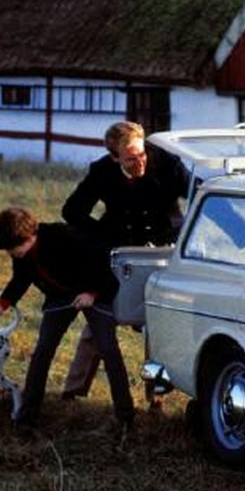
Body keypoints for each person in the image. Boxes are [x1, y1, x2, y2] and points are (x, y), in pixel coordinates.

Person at [59, 121, 189, 400]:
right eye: (131, 159)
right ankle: (73, 391)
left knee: (157, 323)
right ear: (115, 157)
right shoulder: (102, 171)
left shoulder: (168, 164)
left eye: (142, 155)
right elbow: (71, 211)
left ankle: (155, 397)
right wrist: (104, 235)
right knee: (101, 316)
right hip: (122, 251)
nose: (139, 162)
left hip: (163, 248)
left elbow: (202, 196)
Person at [0, 206, 135, 430]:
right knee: (42, 351)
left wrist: (92, 293)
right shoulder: (21, 254)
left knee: (108, 349)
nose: (11, 253)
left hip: (96, 292)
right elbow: (20, 279)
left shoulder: (64, 235)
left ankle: (125, 418)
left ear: (30, 236)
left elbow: (102, 260)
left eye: (14, 248)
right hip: (60, 297)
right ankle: (26, 417)